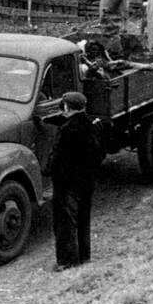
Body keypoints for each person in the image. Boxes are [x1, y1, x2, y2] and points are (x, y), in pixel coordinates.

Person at [46, 91, 99, 271]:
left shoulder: (67, 130)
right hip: (87, 182)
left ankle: (67, 261)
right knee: (83, 220)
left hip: (67, 185)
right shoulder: (90, 124)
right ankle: (84, 256)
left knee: (65, 223)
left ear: (67, 107)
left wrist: (47, 169)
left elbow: (58, 160)